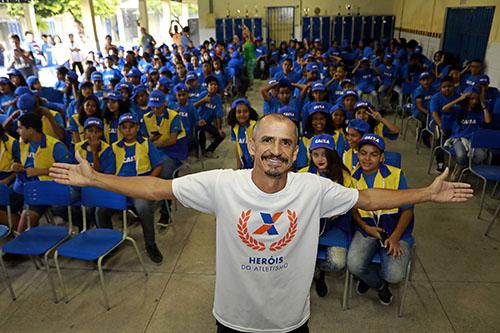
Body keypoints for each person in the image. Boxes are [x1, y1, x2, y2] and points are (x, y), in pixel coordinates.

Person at [50, 113, 473, 333]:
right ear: (253, 146)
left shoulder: (312, 189)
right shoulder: (221, 184)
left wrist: (426, 193)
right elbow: (157, 190)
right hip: (233, 319)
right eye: (267, 140)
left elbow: (367, 196)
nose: (276, 149)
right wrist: (96, 178)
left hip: (292, 321)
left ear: (296, 151)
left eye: (286, 142)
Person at [347, 134, 414, 306]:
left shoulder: (396, 175)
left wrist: (395, 237)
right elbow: (353, 211)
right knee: (354, 265)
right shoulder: (352, 179)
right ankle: (377, 283)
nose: (367, 158)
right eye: (363, 153)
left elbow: (408, 211)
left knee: (394, 275)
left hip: (395, 231)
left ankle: (369, 277)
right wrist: (365, 227)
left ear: (382, 157)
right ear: (357, 155)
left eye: (373, 154)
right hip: (368, 230)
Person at [97, 112, 165, 263]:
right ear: (120, 129)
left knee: (144, 208)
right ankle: (110, 244)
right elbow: (108, 172)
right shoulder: (114, 148)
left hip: (140, 186)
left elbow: (158, 165)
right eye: (124, 127)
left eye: (131, 127)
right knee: (101, 211)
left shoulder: (146, 143)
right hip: (120, 187)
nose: (128, 130)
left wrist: (149, 182)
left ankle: (150, 244)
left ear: (137, 127)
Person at [299, 134, 353, 297]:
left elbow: (349, 202)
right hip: (308, 226)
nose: (320, 159)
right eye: (316, 154)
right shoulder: (302, 175)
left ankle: (318, 269)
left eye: (324, 154)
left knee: (338, 263)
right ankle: (316, 275)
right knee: (296, 259)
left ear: (332, 154)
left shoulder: (344, 176)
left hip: (335, 226)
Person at [12, 112, 72, 232]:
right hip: (22, 185)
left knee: (27, 218)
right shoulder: (22, 143)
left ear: (31, 130)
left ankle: (22, 239)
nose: (17, 131)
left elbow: (69, 170)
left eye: (20, 128)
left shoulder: (55, 146)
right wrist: (17, 166)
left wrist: (42, 171)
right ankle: (19, 233)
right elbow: (22, 161)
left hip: (44, 187)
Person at [193, 76, 225, 157]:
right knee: (200, 132)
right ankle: (199, 150)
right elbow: (193, 107)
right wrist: (203, 100)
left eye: (215, 84)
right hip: (197, 120)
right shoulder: (203, 94)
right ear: (207, 87)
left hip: (207, 122)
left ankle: (209, 150)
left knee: (220, 135)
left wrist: (219, 129)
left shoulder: (218, 98)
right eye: (211, 84)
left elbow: (218, 115)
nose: (214, 86)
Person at [227, 98, 259, 169]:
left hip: (256, 163)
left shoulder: (255, 126)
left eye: (245, 111)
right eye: (238, 112)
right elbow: (237, 147)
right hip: (244, 163)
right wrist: (238, 166)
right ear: (234, 113)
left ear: (250, 112)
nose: (242, 114)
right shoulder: (234, 128)